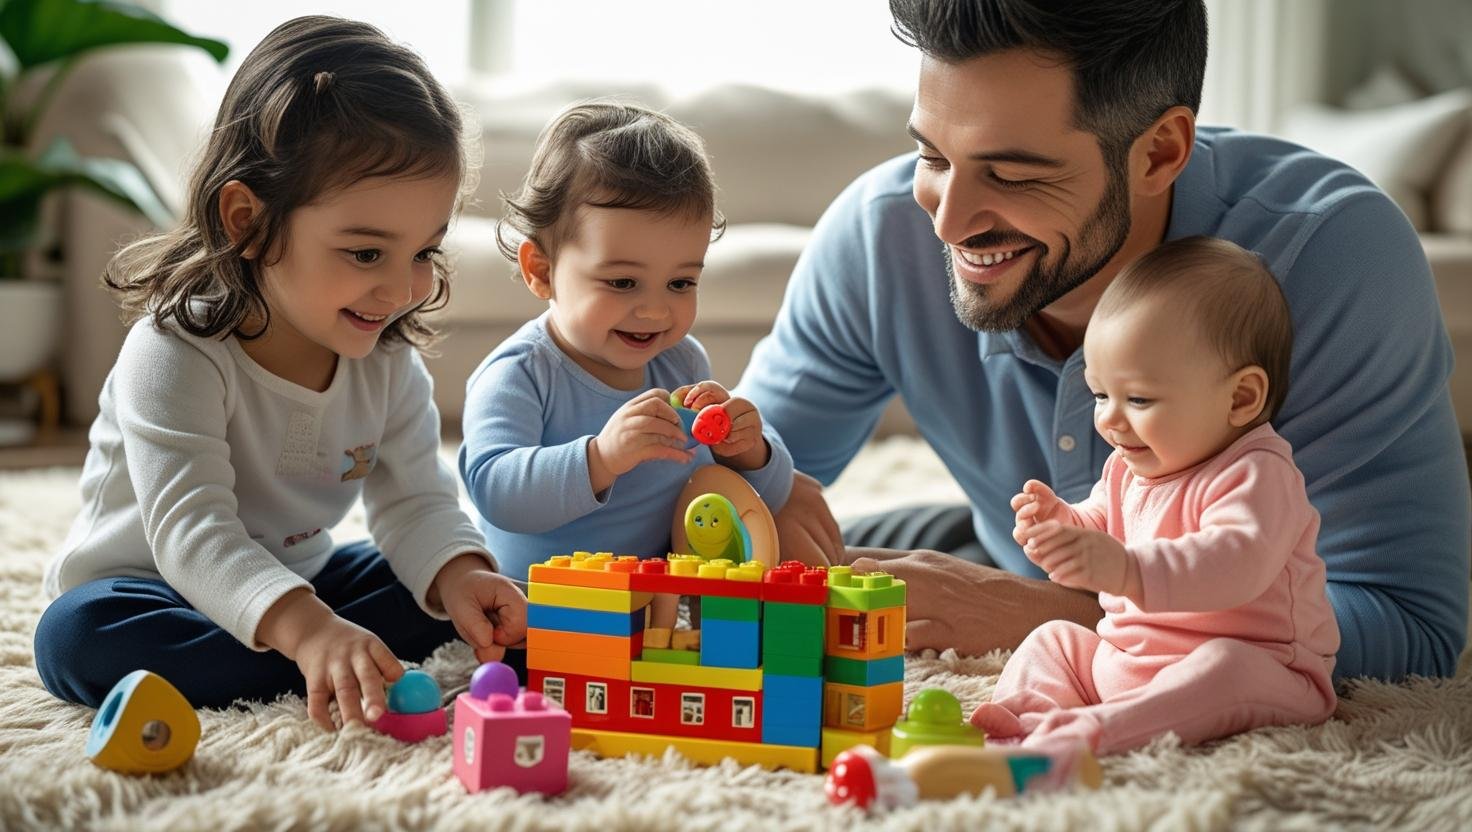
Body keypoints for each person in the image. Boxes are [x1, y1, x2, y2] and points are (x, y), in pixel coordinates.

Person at [736, 0, 1469, 679]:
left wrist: (1039, 616)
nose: (947, 222)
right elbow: (729, 483)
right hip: (1001, 547)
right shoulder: (878, 236)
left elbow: (1411, 627)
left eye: (1013, 173)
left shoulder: (1331, 256)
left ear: (1157, 153)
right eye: (932, 157)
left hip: (1207, 586)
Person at [33, 17, 527, 731]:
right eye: (365, 254)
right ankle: (324, 657)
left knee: (446, 578)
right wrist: (313, 631)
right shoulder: (174, 350)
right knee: (75, 637)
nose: (403, 289)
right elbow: (193, 534)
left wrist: (460, 576)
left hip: (301, 582)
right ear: (249, 221)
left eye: (424, 250)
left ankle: (327, 653)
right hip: (154, 586)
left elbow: (416, 502)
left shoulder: (388, 361)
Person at [970, 237, 1339, 753]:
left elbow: (1235, 563)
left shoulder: (1258, 472)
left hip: (1263, 669)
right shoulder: (1130, 466)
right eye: (1100, 394)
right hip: (1133, 662)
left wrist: (1125, 570)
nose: (1110, 419)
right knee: (1055, 638)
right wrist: (1063, 529)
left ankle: (1092, 734)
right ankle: (1021, 719)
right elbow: (1103, 526)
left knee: (1226, 668)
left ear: (1241, 398)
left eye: (1138, 398)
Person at [458, 102, 795, 583]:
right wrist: (601, 458)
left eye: (681, 283)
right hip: (540, 604)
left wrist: (748, 450)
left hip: (655, 602)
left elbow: (769, 497)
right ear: (542, 271)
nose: (656, 311)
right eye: (621, 283)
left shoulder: (680, 362)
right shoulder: (519, 373)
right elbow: (494, 491)